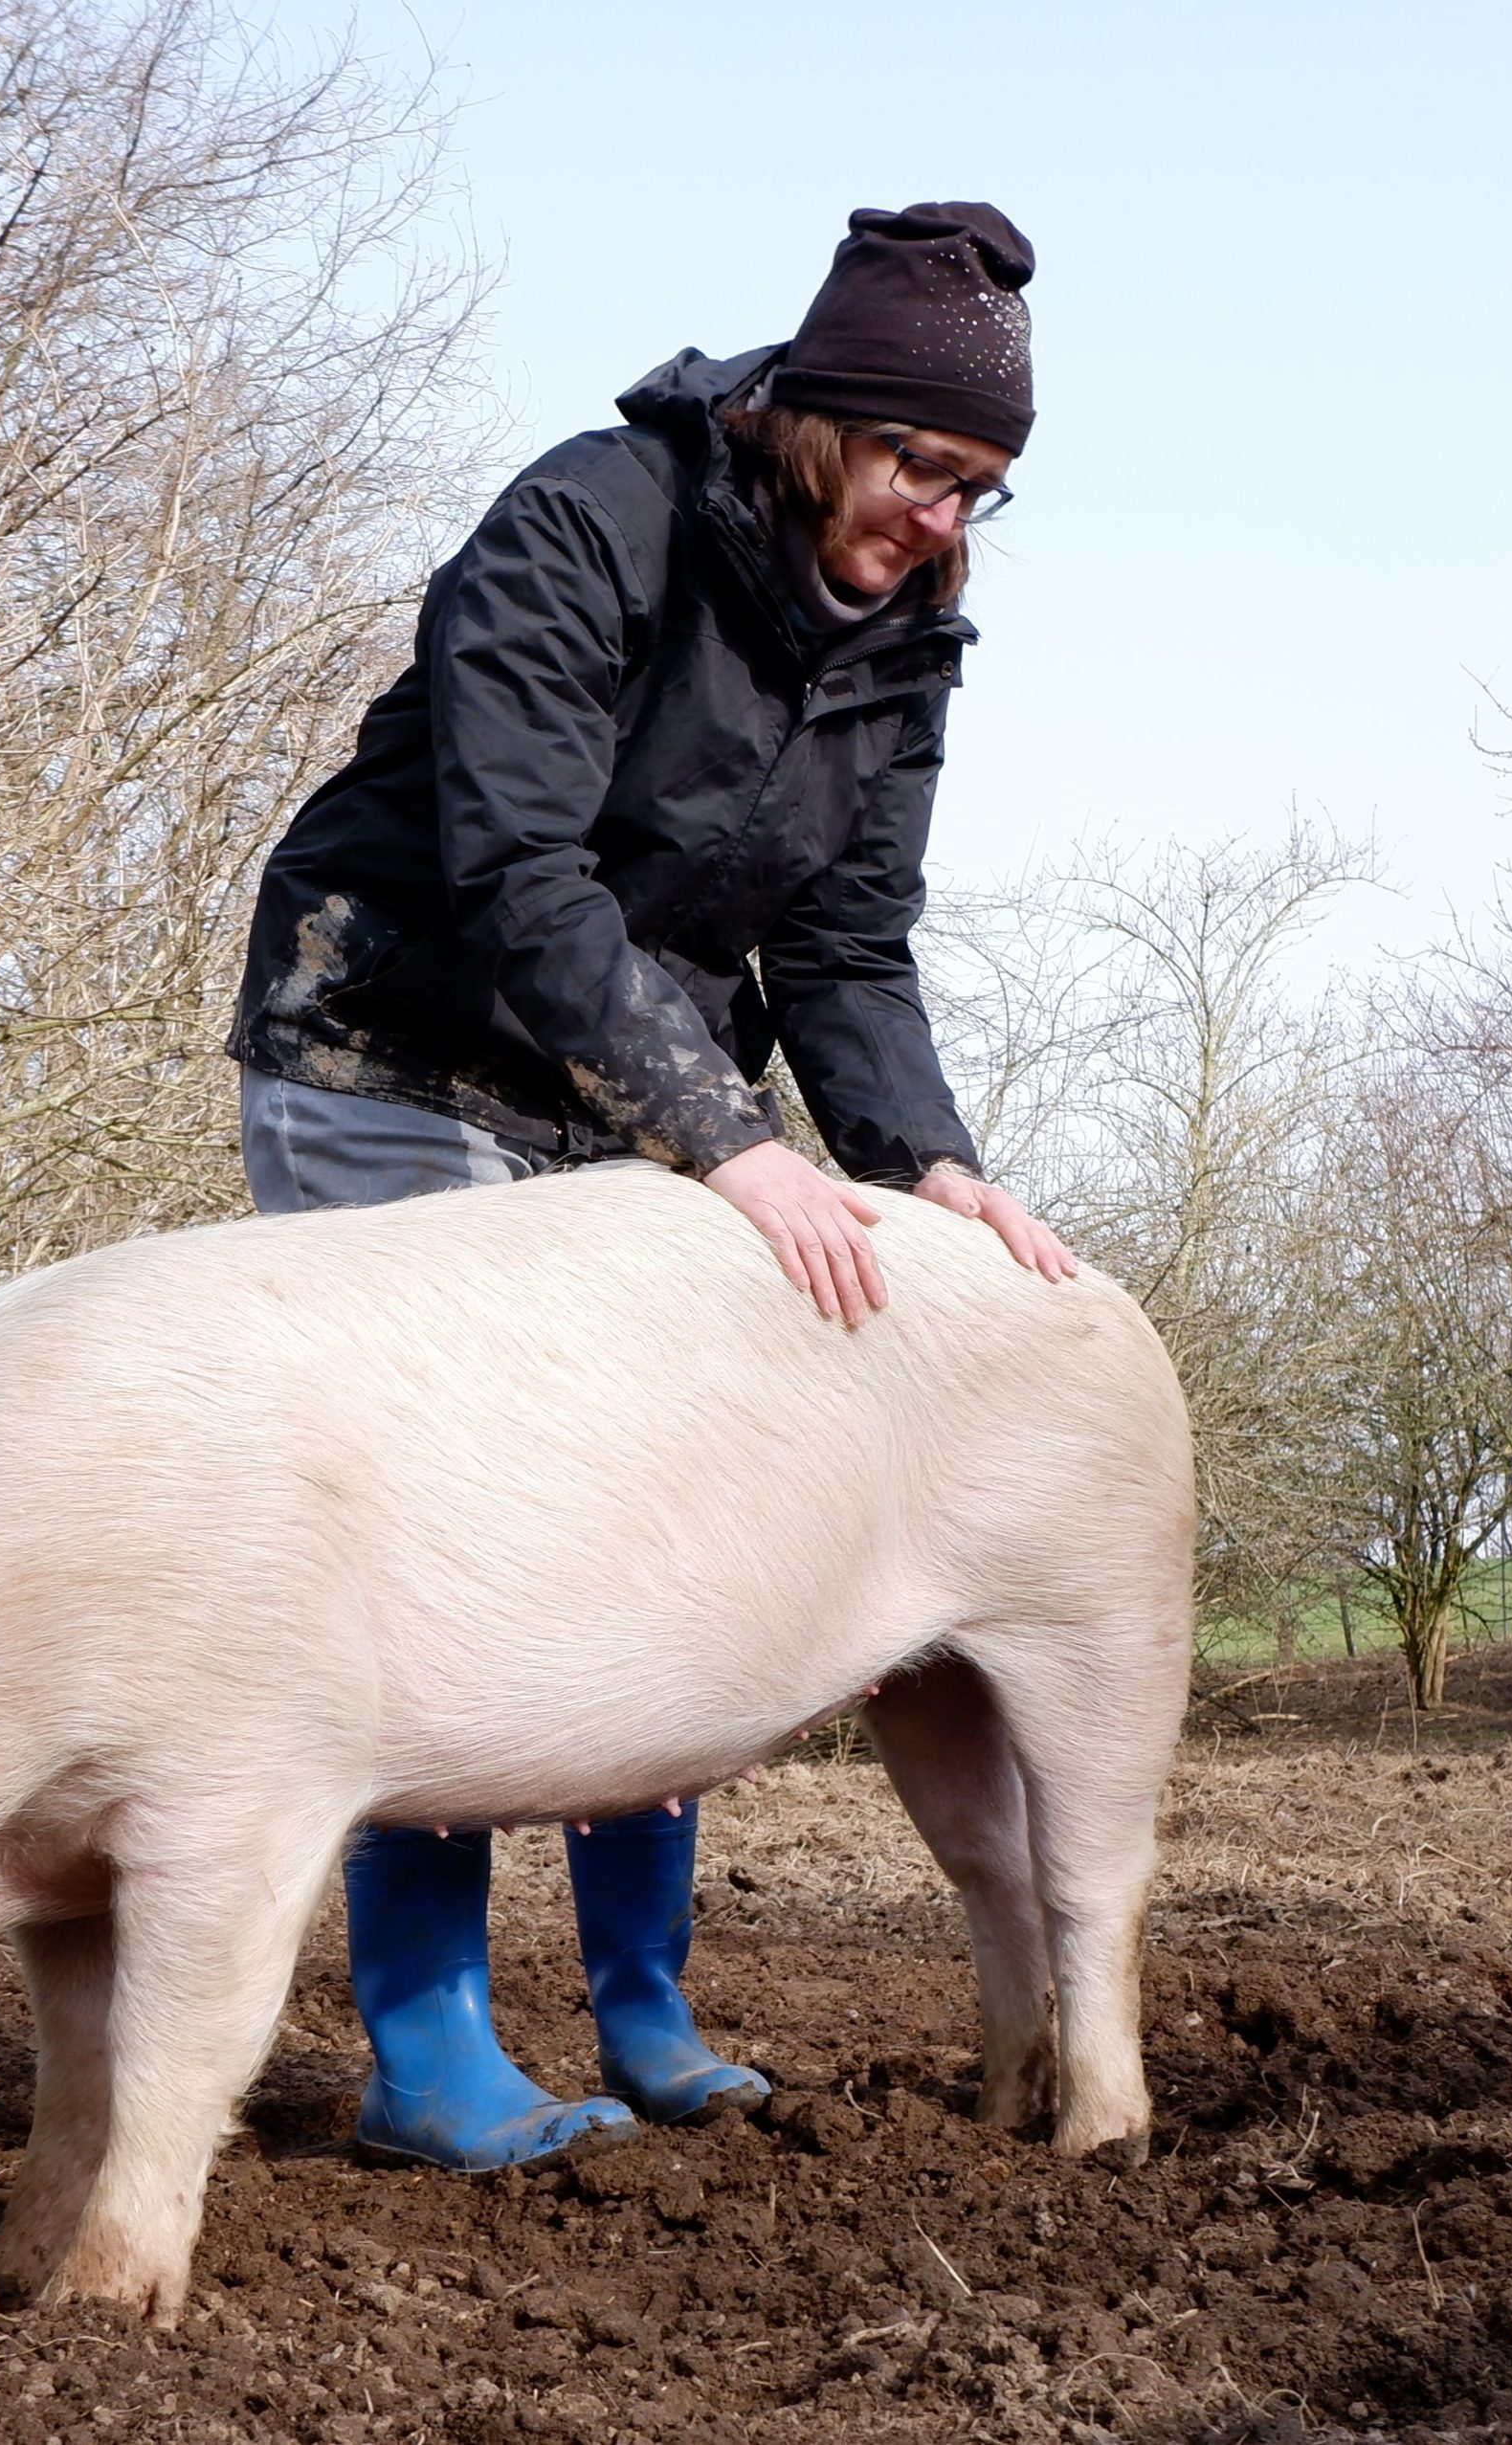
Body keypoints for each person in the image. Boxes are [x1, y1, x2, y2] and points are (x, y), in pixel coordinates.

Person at [225, 202, 1078, 2171]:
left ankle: (638, 2001)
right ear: (812, 421)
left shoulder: (907, 637)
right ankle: (425, 2047)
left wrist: (925, 1161)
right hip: (397, 1029)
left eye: (984, 493)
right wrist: (730, 1145)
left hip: (636, 1067)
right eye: (919, 468)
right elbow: (522, 878)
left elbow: (847, 950)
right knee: (439, 1532)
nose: (942, 520)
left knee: (658, 1528)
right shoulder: (586, 523)